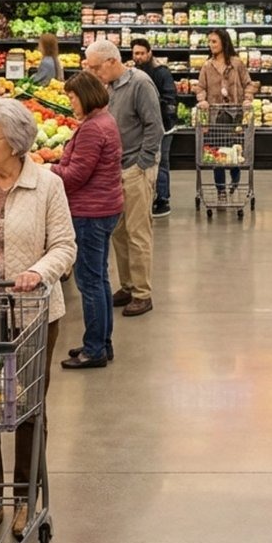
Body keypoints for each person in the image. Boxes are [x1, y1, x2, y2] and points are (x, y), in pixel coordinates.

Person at [0, 98, 76, 542]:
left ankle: (26, 497)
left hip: (31, 314)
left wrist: (38, 272)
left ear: (16, 143)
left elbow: (64, 245)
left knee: (27, 407)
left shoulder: (48, 186)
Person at [82, 39, 162, 318]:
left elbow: (154, 126)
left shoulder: (140, 84)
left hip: (135, 169)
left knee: (138, 233)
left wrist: (142, 163)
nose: (94, 73)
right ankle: (127, 285)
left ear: (112, 61)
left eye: (96, 67)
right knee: (118, 232)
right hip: (114, 170)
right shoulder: (108, 86)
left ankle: (142, 293)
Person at [52, 72, 124, 370]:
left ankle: (95, 350)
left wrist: (47, 169)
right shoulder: (105, 120)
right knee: (100, 279)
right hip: (105, 208)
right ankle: (101, 342)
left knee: (89, 281)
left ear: (85, 96)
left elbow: (75, 176)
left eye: (72, 97)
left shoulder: (93, 128)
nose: (70, 102)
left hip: (90, 213)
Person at [194, 28, 256, 197]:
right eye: (209, 41)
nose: (211, 44)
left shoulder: (237, 64)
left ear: (224, 42)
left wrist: (247, 99)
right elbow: (200, 87)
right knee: (218, 154)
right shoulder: (207, 66)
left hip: (235, 115)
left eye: (214, 41)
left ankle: (235, 179)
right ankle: (221, 189)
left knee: (235, 151)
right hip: (215, 116)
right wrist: (202, 100)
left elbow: (248, 84)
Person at [131, 38, 178, 217]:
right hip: (142, 126)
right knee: (146, 162)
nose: (139, 57)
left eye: (142, 53)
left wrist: (154, 107)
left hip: (165, 125)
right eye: (136, 53)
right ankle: (147, 197)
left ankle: (163, 200)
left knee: (162, 161)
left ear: (149, 53)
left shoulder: (162, 72)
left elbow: (170, 98)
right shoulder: (132, 73)